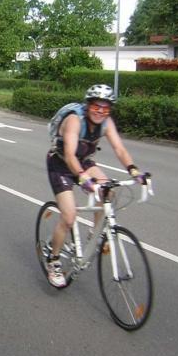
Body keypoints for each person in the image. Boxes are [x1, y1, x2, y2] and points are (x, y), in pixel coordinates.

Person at [45, 84, 148, 288]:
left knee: (109, 190)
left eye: (105, 108)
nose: (101, 112)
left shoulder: (106, 122)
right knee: (69, 216)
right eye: (96, 107)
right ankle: (53, 260)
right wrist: (83, 179)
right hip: (61, 165)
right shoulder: (75, 120)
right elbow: (69, 155)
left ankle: (95, 232)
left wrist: (134, 170)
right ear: (88, 105)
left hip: (84, 162)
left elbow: (119, 148)